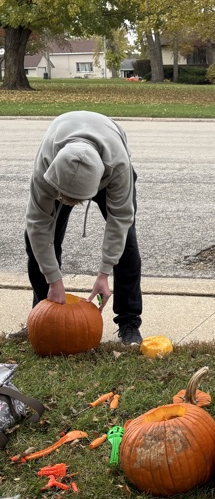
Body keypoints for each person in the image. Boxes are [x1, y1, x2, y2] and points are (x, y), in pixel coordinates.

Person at [17, 110, 143, 346]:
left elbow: (120, 222)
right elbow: (38, 225)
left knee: (127, 243)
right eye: (65, 197)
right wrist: (54, 280)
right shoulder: (45, 167)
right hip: (57, 168)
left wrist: (104, 273)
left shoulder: (119, 167)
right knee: (36, 241)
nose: (67, 203)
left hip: (108, 165)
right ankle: (43, 313)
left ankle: (129, 322)